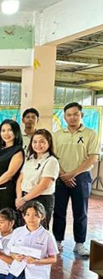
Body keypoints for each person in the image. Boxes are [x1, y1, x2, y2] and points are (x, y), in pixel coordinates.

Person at [53, 102, 99, 257]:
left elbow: (92, 157)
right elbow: (53, 157)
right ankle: (57, 241)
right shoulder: (58, 135)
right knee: (59, 211)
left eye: (75, 114)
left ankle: (80, 244)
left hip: (81, 177)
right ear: (64, 117)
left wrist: (72, 174)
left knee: (80, 212)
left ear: (81, 115)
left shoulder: (90, 134)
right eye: (69, 115)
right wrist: (63, 174)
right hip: (60, 177)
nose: (72, 117)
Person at [2, 201, 58, 279]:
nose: (31, 218)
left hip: (36, 272)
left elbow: (53, 259)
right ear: (23, 216)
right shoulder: (17, 231)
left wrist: (36, 261)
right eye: (27, 215)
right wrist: (15, 256)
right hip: (18, 270)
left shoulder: (47, 236)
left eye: (35, 215)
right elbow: (10, 250)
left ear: (42, 216)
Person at [16, 129, 59, 230]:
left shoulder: (51, 161)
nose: (38, 145)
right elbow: (20, 180)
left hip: (41, 199)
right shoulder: (30, 159)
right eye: (35, 142)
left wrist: (24, 199)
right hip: (24, 198)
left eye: (41, 142)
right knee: (24, 229)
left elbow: (43, 185)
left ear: (49, 143)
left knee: (38, 230)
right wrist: (19, 198)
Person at [0, 119, 24, 214]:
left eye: (10, 130)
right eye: (3, 130)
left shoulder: (18, 150)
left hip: (8, 190)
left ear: (16, 132)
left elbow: (10, 173)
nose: (6, 133)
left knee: (7, 217)